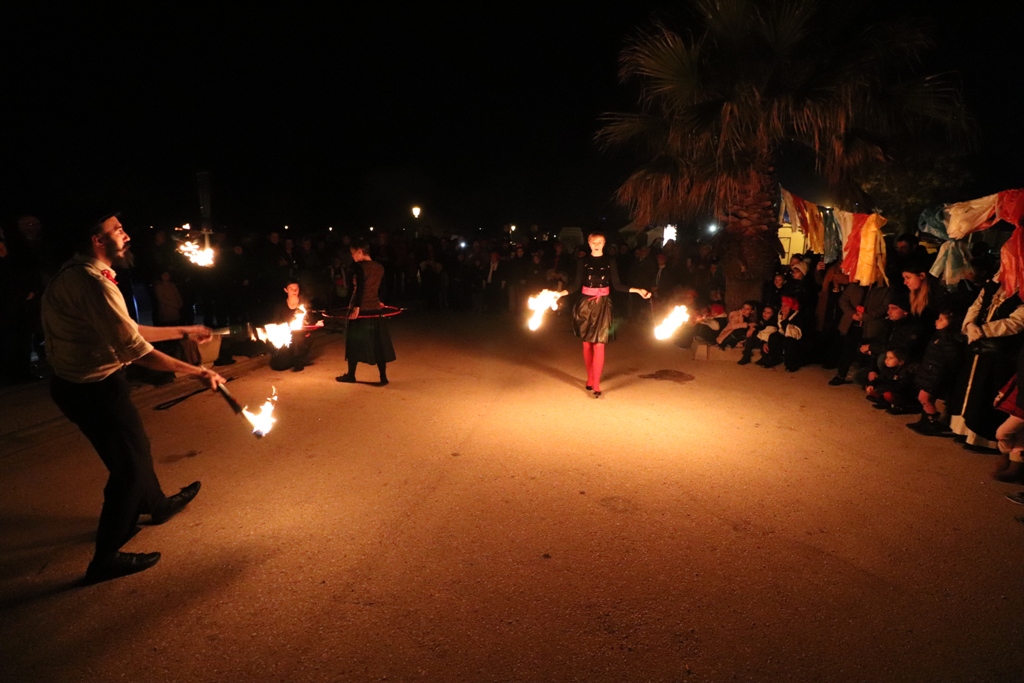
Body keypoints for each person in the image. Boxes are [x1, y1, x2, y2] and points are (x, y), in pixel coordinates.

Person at [42, 211, 225, 582]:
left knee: (132, 450)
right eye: (117, 230)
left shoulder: (79, 274)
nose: (125, 235)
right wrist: (198, 372)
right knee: (129, 467)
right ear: (98, 239)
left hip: (83, 385)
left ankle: (156, 504)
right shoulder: (92, 283)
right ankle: (106, 556)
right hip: (92, 389)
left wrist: (184, 330)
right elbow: (136, 350)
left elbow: (130, 330)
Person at [557, 233, 650, 397]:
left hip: (603, 305)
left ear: (604, 243)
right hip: (585, 305)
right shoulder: (582, 261)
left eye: (600, 242)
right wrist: (559, 294)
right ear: (589, 243)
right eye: (594, 242)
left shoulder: (610, 261)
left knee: (600, 343)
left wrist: (638, 290)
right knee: (587, 344)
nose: (597, 244)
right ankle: (590, 377)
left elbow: (617, 285)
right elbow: (575, 285)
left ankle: (597, 383)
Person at [336, 238, 396, 385]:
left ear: (360, 252)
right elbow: (383, 286)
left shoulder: (359, 267)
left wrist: (356, 307)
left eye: (352, 253)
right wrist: (380, 300)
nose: (352, 256)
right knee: (378, 343)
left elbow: (360, 288)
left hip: (360, 309)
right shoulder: (379, 267)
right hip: (375, 308)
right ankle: (383, 377)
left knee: (353, 341)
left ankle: (351, 375)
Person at [269, 280, 312, 372]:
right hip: (286, 337)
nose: (294, 291)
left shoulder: (303, 305)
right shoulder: (280, 306)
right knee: (279, 366)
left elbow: (312, 320)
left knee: (296, 335)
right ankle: (292, 358)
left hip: (301, 338)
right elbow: (275, 322)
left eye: (296, 288)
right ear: (285, 290)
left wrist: (306, 323)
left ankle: (298, 361)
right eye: (291, 289)